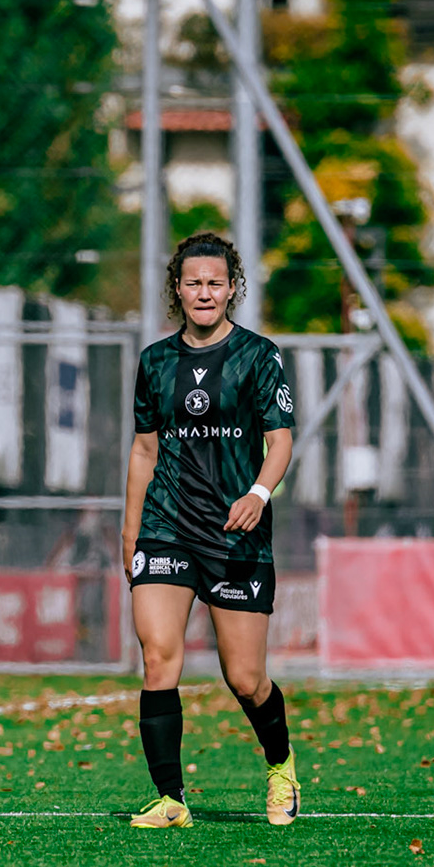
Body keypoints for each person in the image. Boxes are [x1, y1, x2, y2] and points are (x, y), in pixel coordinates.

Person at [122, 232, 298, 828]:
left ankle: (281, 766)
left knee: (245, 680)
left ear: (231, 289)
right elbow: (143, 453)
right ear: (178, 288)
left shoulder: (258, 355)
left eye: (215, 283)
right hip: (165, 526)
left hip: (235, 532)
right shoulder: (154, 362)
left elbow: (281, 444)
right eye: (193, 282)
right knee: (158, 659)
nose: (204, 292)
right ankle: (171, 799)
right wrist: (130, 534)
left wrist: (258, 492)